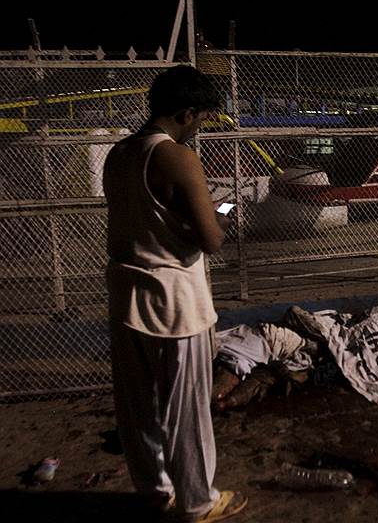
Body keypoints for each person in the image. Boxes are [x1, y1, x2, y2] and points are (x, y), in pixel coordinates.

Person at [103, 66, 247, 521]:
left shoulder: (120, 153)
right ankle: (199, 503)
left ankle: (154, 490)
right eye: (201, 119)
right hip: (175, 304)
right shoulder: (177, 157)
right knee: (187, 410)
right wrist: (221, 214)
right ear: (186, 113)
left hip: (127, 296)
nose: (200, 128)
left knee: (138, 407)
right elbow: (212, 239)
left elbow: (151, 220)